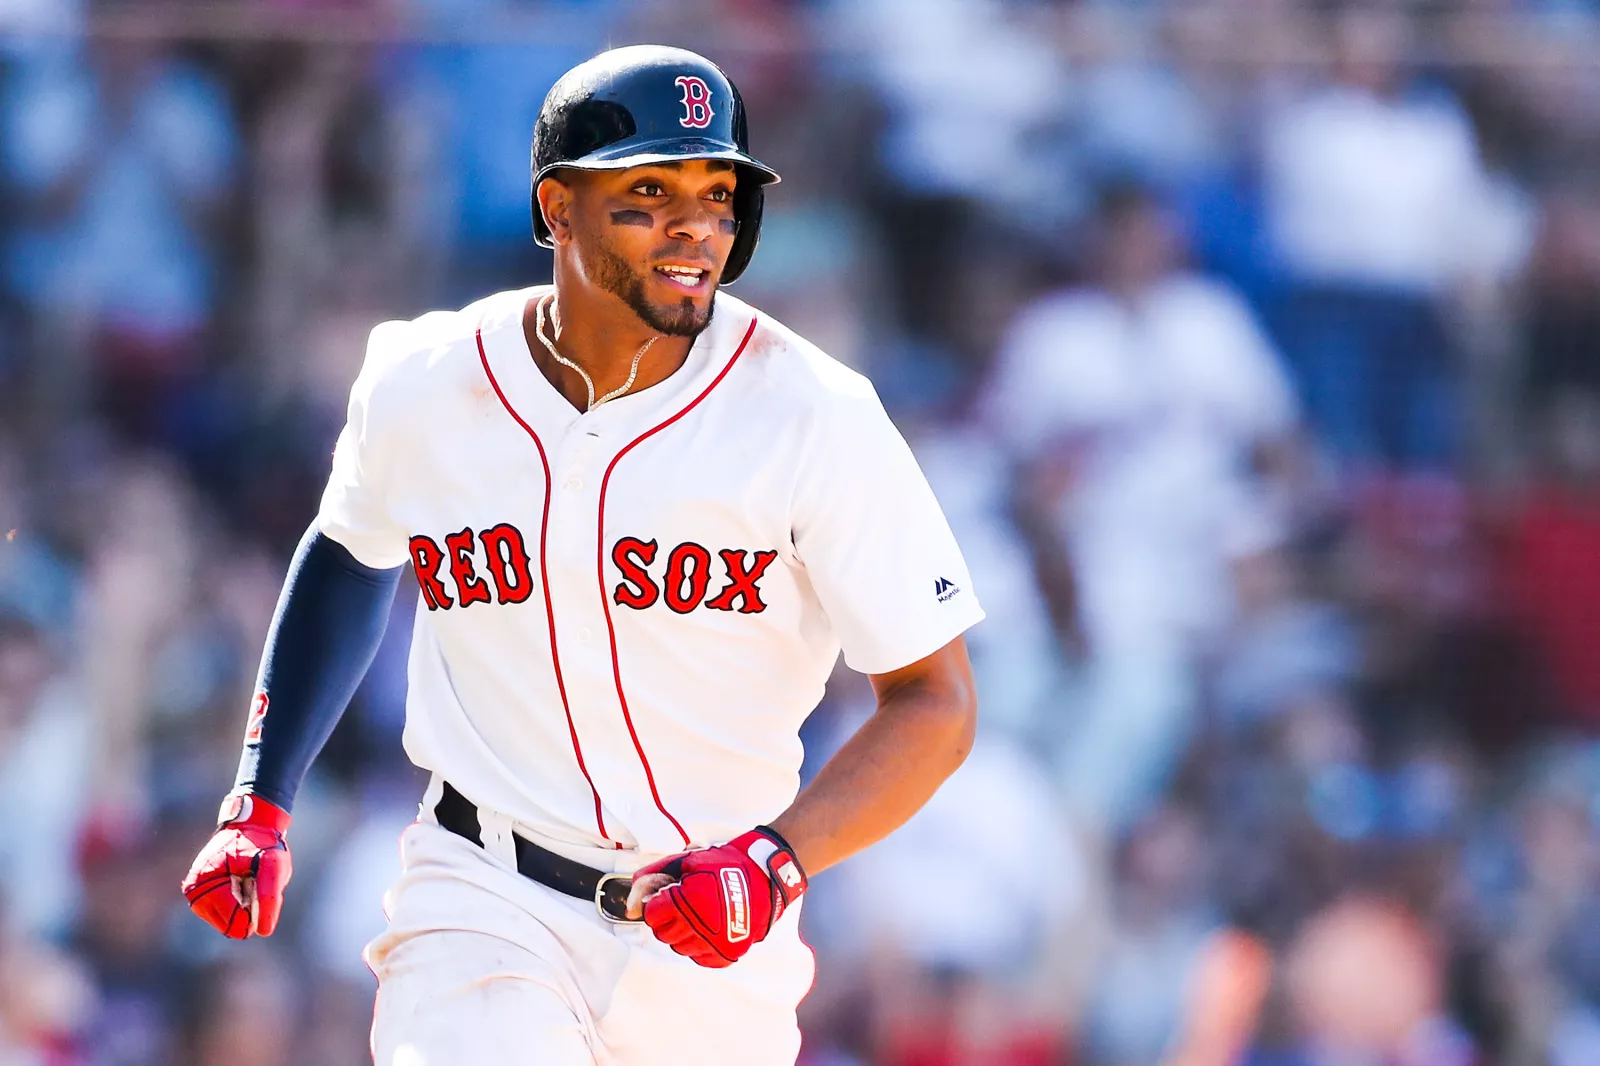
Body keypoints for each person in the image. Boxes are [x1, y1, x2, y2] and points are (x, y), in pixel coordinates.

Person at [179, 45, 983, 1066]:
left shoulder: (813, 416)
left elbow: (936, 701)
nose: (698, 226)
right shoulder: (427, 382)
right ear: (558, 208)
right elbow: (348, 551)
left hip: (711, 931)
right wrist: (260, 798)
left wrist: (778, 863)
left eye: (719, 193)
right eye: (652, 191)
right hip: (483, 892)